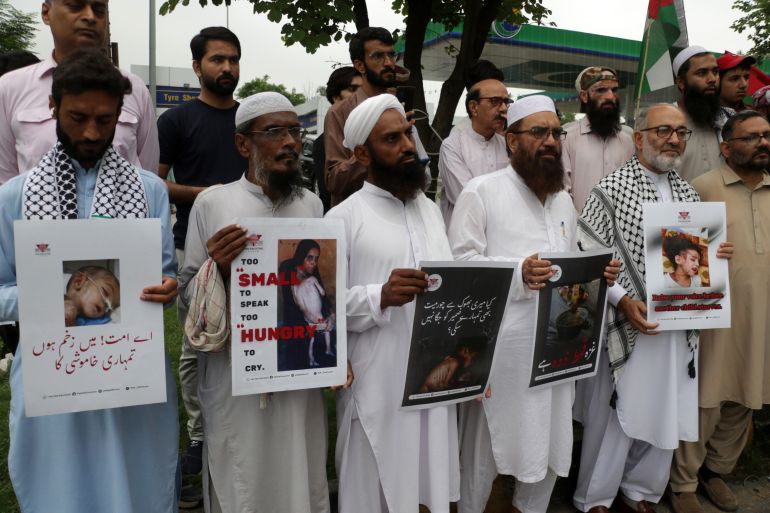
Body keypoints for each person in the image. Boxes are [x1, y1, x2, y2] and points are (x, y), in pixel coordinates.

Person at [0, 49, 178, 513]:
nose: (92, 133)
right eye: (78, 117)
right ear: (53, 108)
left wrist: (165, 289)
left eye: (105, 119)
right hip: (49, 377)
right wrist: (42, 298)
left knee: (135, 488)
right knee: (61, 493)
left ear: (121, 115)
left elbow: (165, 278)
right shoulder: (15, 197)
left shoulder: (150, 191)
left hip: (134, 379)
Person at [448, 95, 619, 513]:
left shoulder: (562, 198)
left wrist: (596, 274)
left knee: (549, 445)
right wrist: (517, 272)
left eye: (556, 132)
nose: (550, 141)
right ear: (511, 140)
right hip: (500, 350)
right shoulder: (481, 191)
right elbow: (461, 265)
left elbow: (568, 262)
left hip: (556, 349)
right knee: (485, 449)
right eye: (538, 132)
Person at [179, 91, 339, 513]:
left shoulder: (311, 204)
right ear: (243, 144)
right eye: (275, 132)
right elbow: (188, 295)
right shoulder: (212, 203)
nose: (290, 142)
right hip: (235, 374)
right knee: (242, 473)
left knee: (300, 464)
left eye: (295, 131)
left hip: (294, 371)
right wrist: (219, 267)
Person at [573, 103, 733, 513]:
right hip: (629, 321)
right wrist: (623, 301)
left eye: (681, 132)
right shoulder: (610, 190)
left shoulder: (687, 192)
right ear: (639, 136)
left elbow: (695, 261)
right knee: (618, 413)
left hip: (678, 325)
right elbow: (589, 253)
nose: (674, 139)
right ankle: (597, 496)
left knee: (667, 406)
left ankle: (642, 489)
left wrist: (716, 253)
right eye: (663, 130)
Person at [326, 94, 460, 513]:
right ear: (363, 153)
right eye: (391, 139)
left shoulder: (431, 212)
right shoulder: (342, 220)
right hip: (375, 385)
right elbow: (320, 311)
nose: (407, 145)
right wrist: (378, 296)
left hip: (433, 380)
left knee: (428, 487)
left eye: (407, 133)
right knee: (372, 490)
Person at [156, 25, 247, 482]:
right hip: (193, 248)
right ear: (197, 67)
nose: (227, 67)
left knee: (251, 337)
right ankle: (198, 432)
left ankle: (247, 419)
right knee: (198, 344)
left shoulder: (249, 118)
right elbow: (157, 183)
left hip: (252, 252)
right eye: (217, 59)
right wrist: (208, 194)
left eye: (232, 59)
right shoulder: (175, 121)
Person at [669, 110, 770, 513]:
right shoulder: (702, 188)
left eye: (766, 135)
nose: (762, 143)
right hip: (716, 316)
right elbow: (676, 251)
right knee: (707, 397)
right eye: (751, 138)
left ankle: (716, 473)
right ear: (726, 147)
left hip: (762, 316)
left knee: (747, 396)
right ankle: (683, 484)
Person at [0, 0, 159, 185]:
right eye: (76, 6)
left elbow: (147, 180)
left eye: (98, 9)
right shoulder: (10, 88)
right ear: (46, 12)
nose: (90, 17)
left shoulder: (135, 89)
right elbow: (5, 183)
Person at [323, 27, 398, 206]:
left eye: (391, 55)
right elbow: (334, 182)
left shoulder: (398, 107)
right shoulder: (339, 113)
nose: (388, 63)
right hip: (357, 221)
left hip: (400, 212)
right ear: (359, 65)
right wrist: (371, 145)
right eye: (378, 56)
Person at [438, 60, 511, 224]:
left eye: (506, 102)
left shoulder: (508, 144)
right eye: (495, 101)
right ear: (473, 106)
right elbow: (467, 200)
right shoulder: (453, 145)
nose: (503, 109)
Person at [562, 66, 634, 211]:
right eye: (601, 90)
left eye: (614, 90)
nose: (610, 97)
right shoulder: (566, 138)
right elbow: (562, 194)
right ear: (584, 96)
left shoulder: (628, 141)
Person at [674, 46, 731, 184]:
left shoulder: (729, 119)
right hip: (679, 205)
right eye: (701, 73)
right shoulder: (663, 121)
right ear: (681, 82)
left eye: (715, 72)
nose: (712, 79)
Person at [313, 67, 362, 212]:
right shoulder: (322, 143)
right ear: (335, 98)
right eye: (353, 89)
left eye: (363, 90)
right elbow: (329, 192)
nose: (359, 96)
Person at [286, 239, 335, 368]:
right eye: (309, 258)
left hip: (319, 324)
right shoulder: (291, 280)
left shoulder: (312, 276)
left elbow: (324, 300)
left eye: (316, 259)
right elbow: (295, 310)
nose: (314, 263)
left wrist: (330, 317)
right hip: (303, 331)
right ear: (301, 256)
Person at [419, 335, 485, 393]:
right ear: (466, 351)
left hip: (428, 386)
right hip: (428, 387)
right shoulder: (454, 363)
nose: (472, 362)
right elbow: (445, 384)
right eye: (473, 358)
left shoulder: (453, 361)